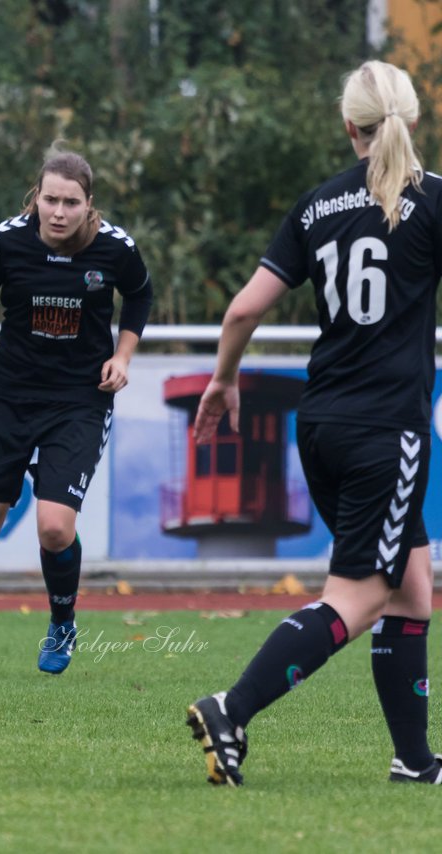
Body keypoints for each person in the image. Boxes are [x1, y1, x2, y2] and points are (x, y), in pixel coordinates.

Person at [185, 60, 442, 786]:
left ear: (347, 127)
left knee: (412, 590)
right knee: (359, 598)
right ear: (414, 121)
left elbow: (242, 310)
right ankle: (231, 709)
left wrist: (224, 379)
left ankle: (416, 762)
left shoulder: (316, 206)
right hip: (386, 431)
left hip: (321, 422)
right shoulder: (435, 202)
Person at [0, 150, 153, 679]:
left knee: (54, 527)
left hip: (79, 402)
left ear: (89, 205)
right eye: (50, 199)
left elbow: (140, 297)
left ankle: (63, 623)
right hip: (10, 396)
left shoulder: (115, 248)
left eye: (71, 202)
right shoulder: (6, 241)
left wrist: (122, 355)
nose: (58, 211)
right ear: (36, 196)